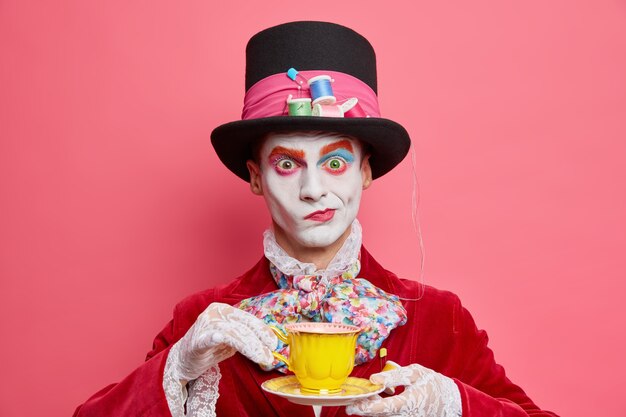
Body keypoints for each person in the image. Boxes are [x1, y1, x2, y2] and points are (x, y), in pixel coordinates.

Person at [74, 21, 558, 417]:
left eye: (335, 162)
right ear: (256, 177)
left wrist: (454, 404)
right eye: (287, 164)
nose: (313, 189)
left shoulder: (439, 317)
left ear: (365, 172)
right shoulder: (201, 320)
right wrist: (176, 370)